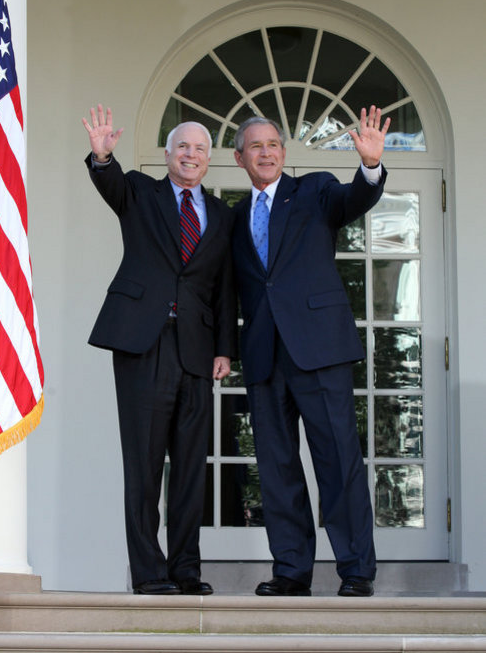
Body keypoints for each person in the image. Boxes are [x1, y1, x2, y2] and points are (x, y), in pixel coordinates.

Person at [231, 106, 390, 597]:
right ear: (240, 158)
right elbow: (227, 291)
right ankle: (292, 570)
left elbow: (355, 199)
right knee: (277, 468)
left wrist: (369, 167)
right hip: (263, 356)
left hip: (319, 349)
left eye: (273, 144)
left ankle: (356, 569)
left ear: (283, 152)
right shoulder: (234, 218)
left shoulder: (315, 190)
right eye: (255, 146)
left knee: (339, 460)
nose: (266, 152)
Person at [82, 105, 237, 595]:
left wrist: (225, 350)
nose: (191, 154)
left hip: (196, 349)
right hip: (141, 344)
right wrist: (101, 156)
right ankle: (149, 572)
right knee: (144, 466)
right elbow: (109, 183)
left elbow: (224, 289)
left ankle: (185, 571)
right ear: (167, 154)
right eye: (183, 146)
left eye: (200, 148)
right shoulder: (140, 194)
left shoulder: (221, 215)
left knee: (192, 468)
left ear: (209, 161)